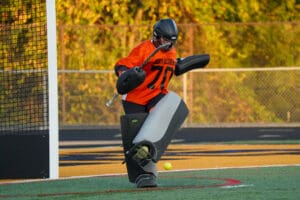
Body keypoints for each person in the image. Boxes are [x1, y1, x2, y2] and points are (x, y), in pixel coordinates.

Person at [114, 18, 182, 188]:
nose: (168, 44)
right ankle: (144, 175)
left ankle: (148, 166)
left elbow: (171, 69)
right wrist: (126, 74)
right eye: (166, 40)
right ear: (157, 36)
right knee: (138, 139)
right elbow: (122, 64)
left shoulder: (171, 53)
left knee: (158, 121)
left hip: (156, 94)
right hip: (135, 98)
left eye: (172, 41)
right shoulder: (144, 49)